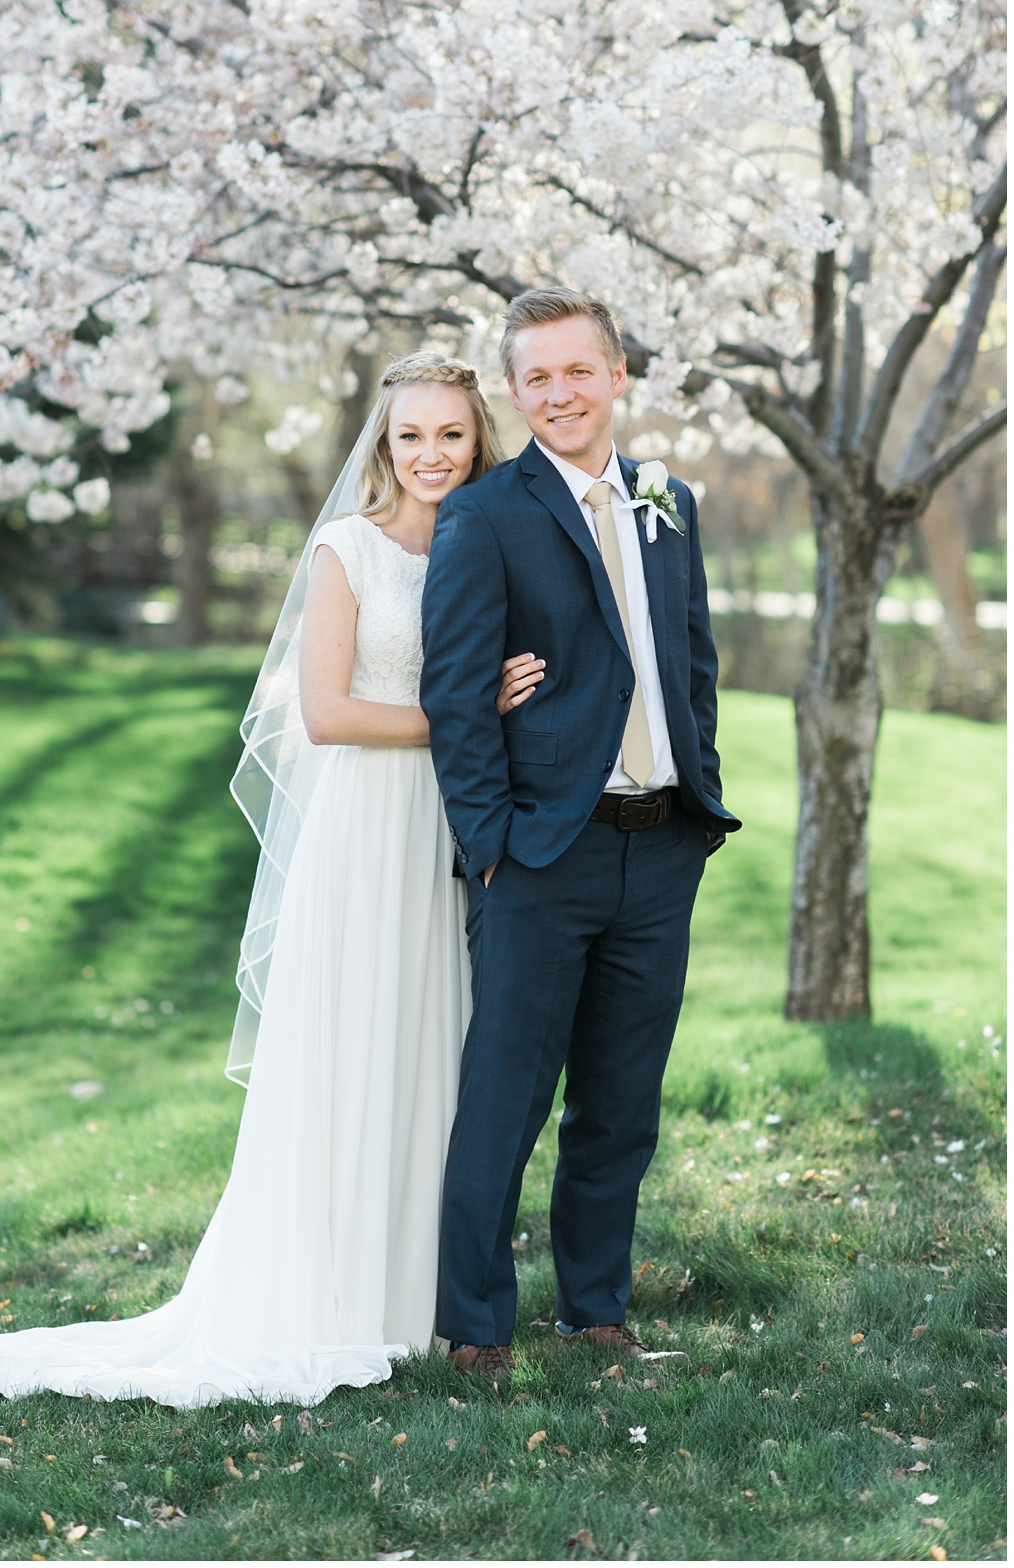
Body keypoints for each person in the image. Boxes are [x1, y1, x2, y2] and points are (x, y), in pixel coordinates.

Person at [0, 351, 537, 1409]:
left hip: (449, 823)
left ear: (479, 443)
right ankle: (325, 1296)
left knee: (434, 1040)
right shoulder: (347, 550)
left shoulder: (490, 549)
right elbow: (326, 713)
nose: (430, 454)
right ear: (384, 443)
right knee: (351, 1047)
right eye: (411, 434)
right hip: (364, 825)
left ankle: (422, 1295)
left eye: (451, 435)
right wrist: (471, 717)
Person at [420, 287, 736, 1381]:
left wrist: (698, 802)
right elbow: (456, 695)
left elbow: (691, 665)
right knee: (505, 1098)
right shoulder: (487, 513)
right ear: (516, 392)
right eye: (536, 376)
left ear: (614, 376)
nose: (558, 392)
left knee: (621, 1101)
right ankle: (474, 1323)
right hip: (537, 855)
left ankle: (593, 1304)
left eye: (576, 370)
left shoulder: (668, 500)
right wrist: (489, 842)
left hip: (660, 848)